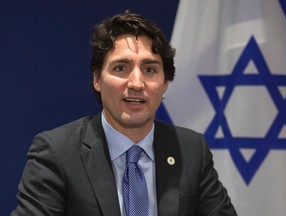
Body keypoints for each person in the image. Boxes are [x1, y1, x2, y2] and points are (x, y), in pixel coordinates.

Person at [11, 12, 237, 216]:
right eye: (121, 68)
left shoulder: (191, 150)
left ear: (165, 83)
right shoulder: (57, 153)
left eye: (149, 70)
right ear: (97, 80)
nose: (137, 83)